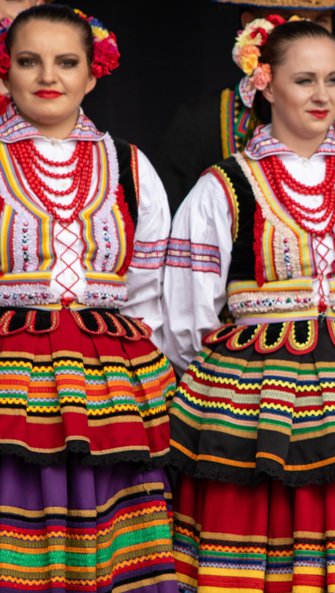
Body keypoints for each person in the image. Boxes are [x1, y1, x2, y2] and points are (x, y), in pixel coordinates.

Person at [162, 18, 335, 592]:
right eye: (304, 79)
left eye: (333, 79)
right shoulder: (225, 184)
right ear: (265, 84)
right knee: (258, 551)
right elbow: (187, 312)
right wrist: (213, 397)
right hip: (253, 404)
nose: (321, 95)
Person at [0, 5, 176, 592]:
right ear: (8, 72)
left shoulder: (128, 165)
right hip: (11, 385)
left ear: (92, 74)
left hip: (111, 384)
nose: (48, 76)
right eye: (30, 61)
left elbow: (150, 287)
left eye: (66, 62)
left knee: (113, 538)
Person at [153, 0, 335, 214]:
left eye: (321, 21)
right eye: (291, 22)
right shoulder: (199, 126)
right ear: (250, 24)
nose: (307, 34)